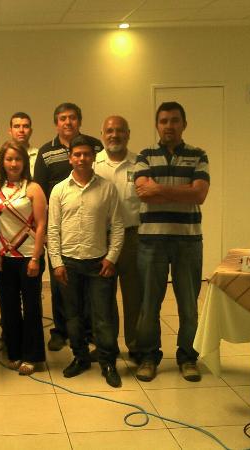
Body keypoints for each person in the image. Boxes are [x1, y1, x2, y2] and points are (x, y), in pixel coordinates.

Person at [134, 102, 210, 383]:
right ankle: (148, 357)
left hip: (188, 240)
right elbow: (143, 193)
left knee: (188, 305)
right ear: (157, 125)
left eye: (175, 120)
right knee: (148, 305)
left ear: (184, 124)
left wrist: (159, 189)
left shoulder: (198, 155)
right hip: (151, 241)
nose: (169, 126)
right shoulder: (145, 156)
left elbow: (199, 195)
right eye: (164, 121)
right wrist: (182, 190)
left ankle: (188, 357)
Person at [47, 134, 124, 388]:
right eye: (77, 154)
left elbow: (118, 226)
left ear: (93, 157)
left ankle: (108, 362)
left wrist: (111, 257)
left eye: (86, 154)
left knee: (103, 317)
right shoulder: (59, 190)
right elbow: (52, 230)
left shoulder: (107, 188)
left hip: (99, 264)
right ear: (70, 158)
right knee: (73, 316)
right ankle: (80, 357)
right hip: (68, 264)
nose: (82, 158)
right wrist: (57, 263)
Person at [34, 103, 103, 352]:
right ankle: (61, 330)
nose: (68, 122)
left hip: (90, 226)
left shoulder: (95, 146)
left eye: (72, 117)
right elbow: (39, 191)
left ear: (79, 121)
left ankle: (88, 331)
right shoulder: (45, 152)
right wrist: (44, 231)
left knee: (89, 286)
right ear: (56, 123)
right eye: (62, 118)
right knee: (60, 282)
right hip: (58, 226)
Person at [0, 140, 47, 375]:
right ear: (2, 162)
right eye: (9, 159)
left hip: (28, 256)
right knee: (9, 307)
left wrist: (36, 257)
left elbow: (42, 224)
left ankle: (33, 356)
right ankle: (14, 352)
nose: (13, 163)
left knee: (32, 307)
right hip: (4, 257)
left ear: (24, 162)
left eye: (17, 159)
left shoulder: (33, 188)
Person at [95, 115, 142, 363]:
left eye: (120, 130)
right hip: (101, 239)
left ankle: (135, 345)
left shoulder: (140, 164)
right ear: (102, 134)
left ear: (128, 134)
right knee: (104, 297)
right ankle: (107, 346)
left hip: (133, 238)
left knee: (134, 296)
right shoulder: (93, 164)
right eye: (110, 130)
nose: (115, 135)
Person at [8, 112, 38, 177]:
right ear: (10, 131)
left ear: (30, 131)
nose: (21, 130)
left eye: (25, 126)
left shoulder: (39, 156)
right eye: (17, 126)